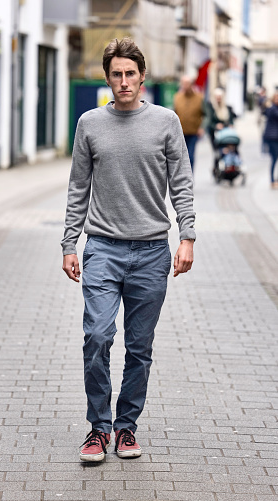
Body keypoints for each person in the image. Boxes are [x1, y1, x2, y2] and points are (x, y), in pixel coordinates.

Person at [61, 37, 195, 462]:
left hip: (153, 251)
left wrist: (187, 236)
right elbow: (78, 187)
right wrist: (70, 242)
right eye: (116, 74)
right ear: (107, 78)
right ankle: (98, 429)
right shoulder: (89, 124)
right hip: (102, 248)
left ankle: (126, 427)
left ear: (142, 78)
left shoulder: (166, 122)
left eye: (130, 74)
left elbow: (182, 184)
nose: (123, 82)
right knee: (97, 336)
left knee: (140, 347)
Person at [173, 75, 204, 172]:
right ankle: (182, 177)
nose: (185, 86)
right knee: (179, 157)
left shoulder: (199, 98)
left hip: (193, 131)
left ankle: (189, 177)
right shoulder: (177, 97)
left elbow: (205, 114)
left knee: (190, 155)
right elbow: (174, 113)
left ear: (191, 85)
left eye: (187, 84)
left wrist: (202, 127)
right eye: (183, 84)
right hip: (180, 132)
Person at [263, 91, 278, 189]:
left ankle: (274, 180)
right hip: (272, 137)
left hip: (275, 137)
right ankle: (272, 180)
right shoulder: (272, 109)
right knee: (274, 158)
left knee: (275, 158)